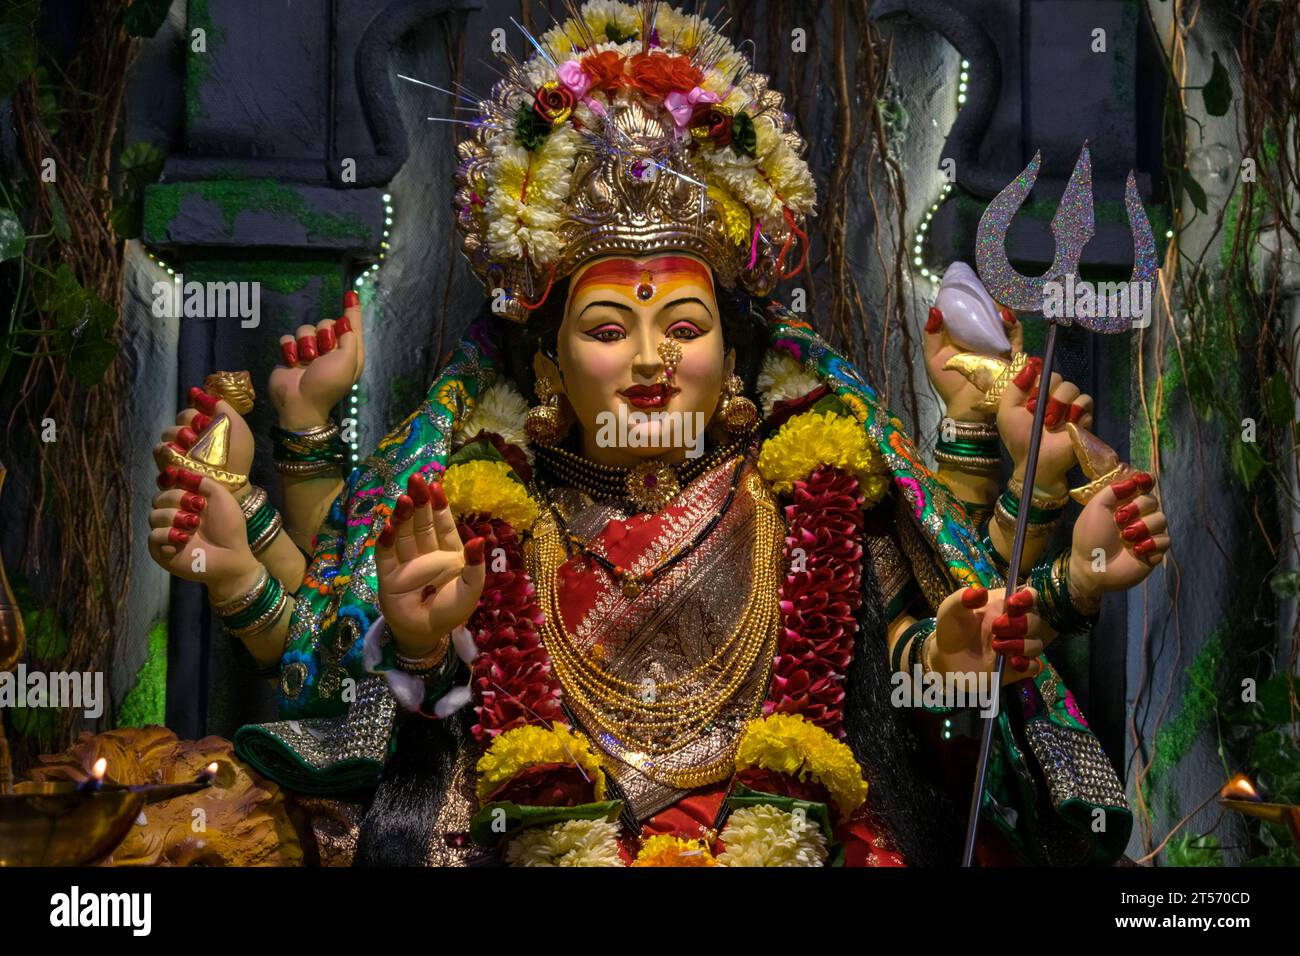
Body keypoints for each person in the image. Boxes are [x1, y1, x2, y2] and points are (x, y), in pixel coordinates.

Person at [146, 1, 1168, 866]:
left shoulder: (804, 488)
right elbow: (374, 696)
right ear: (546, 368)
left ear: (733, 357)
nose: (648, 357)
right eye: (606, 326)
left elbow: (916, 682)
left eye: (683, 324)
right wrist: (419, 642)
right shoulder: (482, 498)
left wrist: (945, 657)